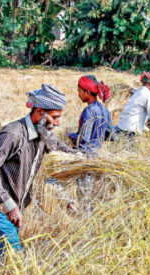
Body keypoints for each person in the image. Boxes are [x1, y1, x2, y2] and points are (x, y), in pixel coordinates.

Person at [0, 84, 81, 262]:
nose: (57, 123)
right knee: (15, 257)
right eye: (54, 117)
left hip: (16, 206)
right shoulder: (13, 133)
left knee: (3, 252)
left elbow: (59, 148)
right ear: (39, 112)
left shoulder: (43, 132)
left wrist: (82, 159)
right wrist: (10, 206)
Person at [48, 75, 115, 212]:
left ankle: (71, 206)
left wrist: (69, 135)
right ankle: (82, 216)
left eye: (79, 91)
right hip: (94, 156)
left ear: (87, 92)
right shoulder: (104, 110)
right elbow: (112, 136)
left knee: (52, 181)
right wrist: (98, 137)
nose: (78, 94)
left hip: (83, 158)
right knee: (85, 195)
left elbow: (83, 139)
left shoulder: (89, 111)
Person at [115, 72, 150, 143]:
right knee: (130, 151)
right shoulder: (149, 95)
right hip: (129, 129)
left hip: (121, 126)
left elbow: (136, 116)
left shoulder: (138, 92)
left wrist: (148, 130)